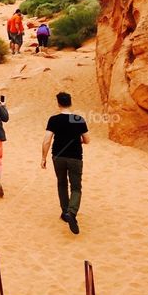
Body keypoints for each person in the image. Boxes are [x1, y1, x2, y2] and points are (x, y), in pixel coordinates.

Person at [42, 92, 89, 234]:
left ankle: (65, 212)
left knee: (61, 183)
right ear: (70, 103)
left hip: (58, 156)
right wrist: (76, 140)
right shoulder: (78, 119)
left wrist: (43, 158)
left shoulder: (53, 120)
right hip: (75, 157)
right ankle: (72, 212)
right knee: (76, 187)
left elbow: (47, 140)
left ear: (58, 104)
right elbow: (87, 140)